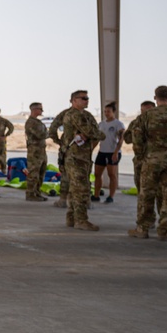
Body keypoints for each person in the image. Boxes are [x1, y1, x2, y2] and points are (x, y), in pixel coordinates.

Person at [128, 85, 167, 241]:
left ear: (155, 98)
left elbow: (136, 139)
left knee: (146, 194)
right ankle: (165, 230)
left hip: (152, 160)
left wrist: (142, 156)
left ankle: (142, 228)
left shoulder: (146, 116)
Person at [61, 90, 104, 231]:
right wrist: (95, 134)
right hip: (75, 157)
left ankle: (72, 218)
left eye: (87, 98)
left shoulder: (86, 115)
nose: (87, 100)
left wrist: (92, 134)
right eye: (83, 98)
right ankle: (81, 220)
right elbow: (94, 132)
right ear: (74, 100)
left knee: (75, 189)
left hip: (83, 157)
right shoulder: (74, 114)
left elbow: (94, 130)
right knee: (81, 189)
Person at [124, 100, 156, 203]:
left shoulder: (160, 122)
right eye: (143, 111)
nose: (145, 113)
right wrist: (138, 136)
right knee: (141, 189)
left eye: (148, 110)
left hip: (157, 160)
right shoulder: (136, 122)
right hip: (140, 160)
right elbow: (127, 139)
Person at [94, 102, 125, 204]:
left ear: (114, 112)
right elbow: (97, 139)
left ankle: (111, 196)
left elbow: (121, 139)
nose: (106, 113)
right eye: (105, 111)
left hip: (112, 152)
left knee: (111, 174)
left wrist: (116, 152)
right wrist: (91, 149)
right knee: (97, 174)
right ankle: (96, 195)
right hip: (102, 152)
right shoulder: (101, 124)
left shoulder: (118, 124)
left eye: (109, 111)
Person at [23, 102, 49, 201]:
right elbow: (41, 135)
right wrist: (47, 133)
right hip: (34, 152)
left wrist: (46, 133)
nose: (42, 111)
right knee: (33, 173)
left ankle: (37, 192)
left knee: (41, 173)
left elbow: (44, 133)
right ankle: (30, 194)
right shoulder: (31, 122)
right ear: (34, 110)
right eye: (40, 109)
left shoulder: (38, 122)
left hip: (41, 150)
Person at [47, 106, 72, 208]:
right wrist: (59, 141)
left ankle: (64, 200)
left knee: (68, 176)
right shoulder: (86, 115)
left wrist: (59, 141)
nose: (86, 101)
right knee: (69, 175)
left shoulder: (65, 113)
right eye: (84, 98)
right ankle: (67, 200)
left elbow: (53, 129)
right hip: (70, 150)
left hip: (69, 148)